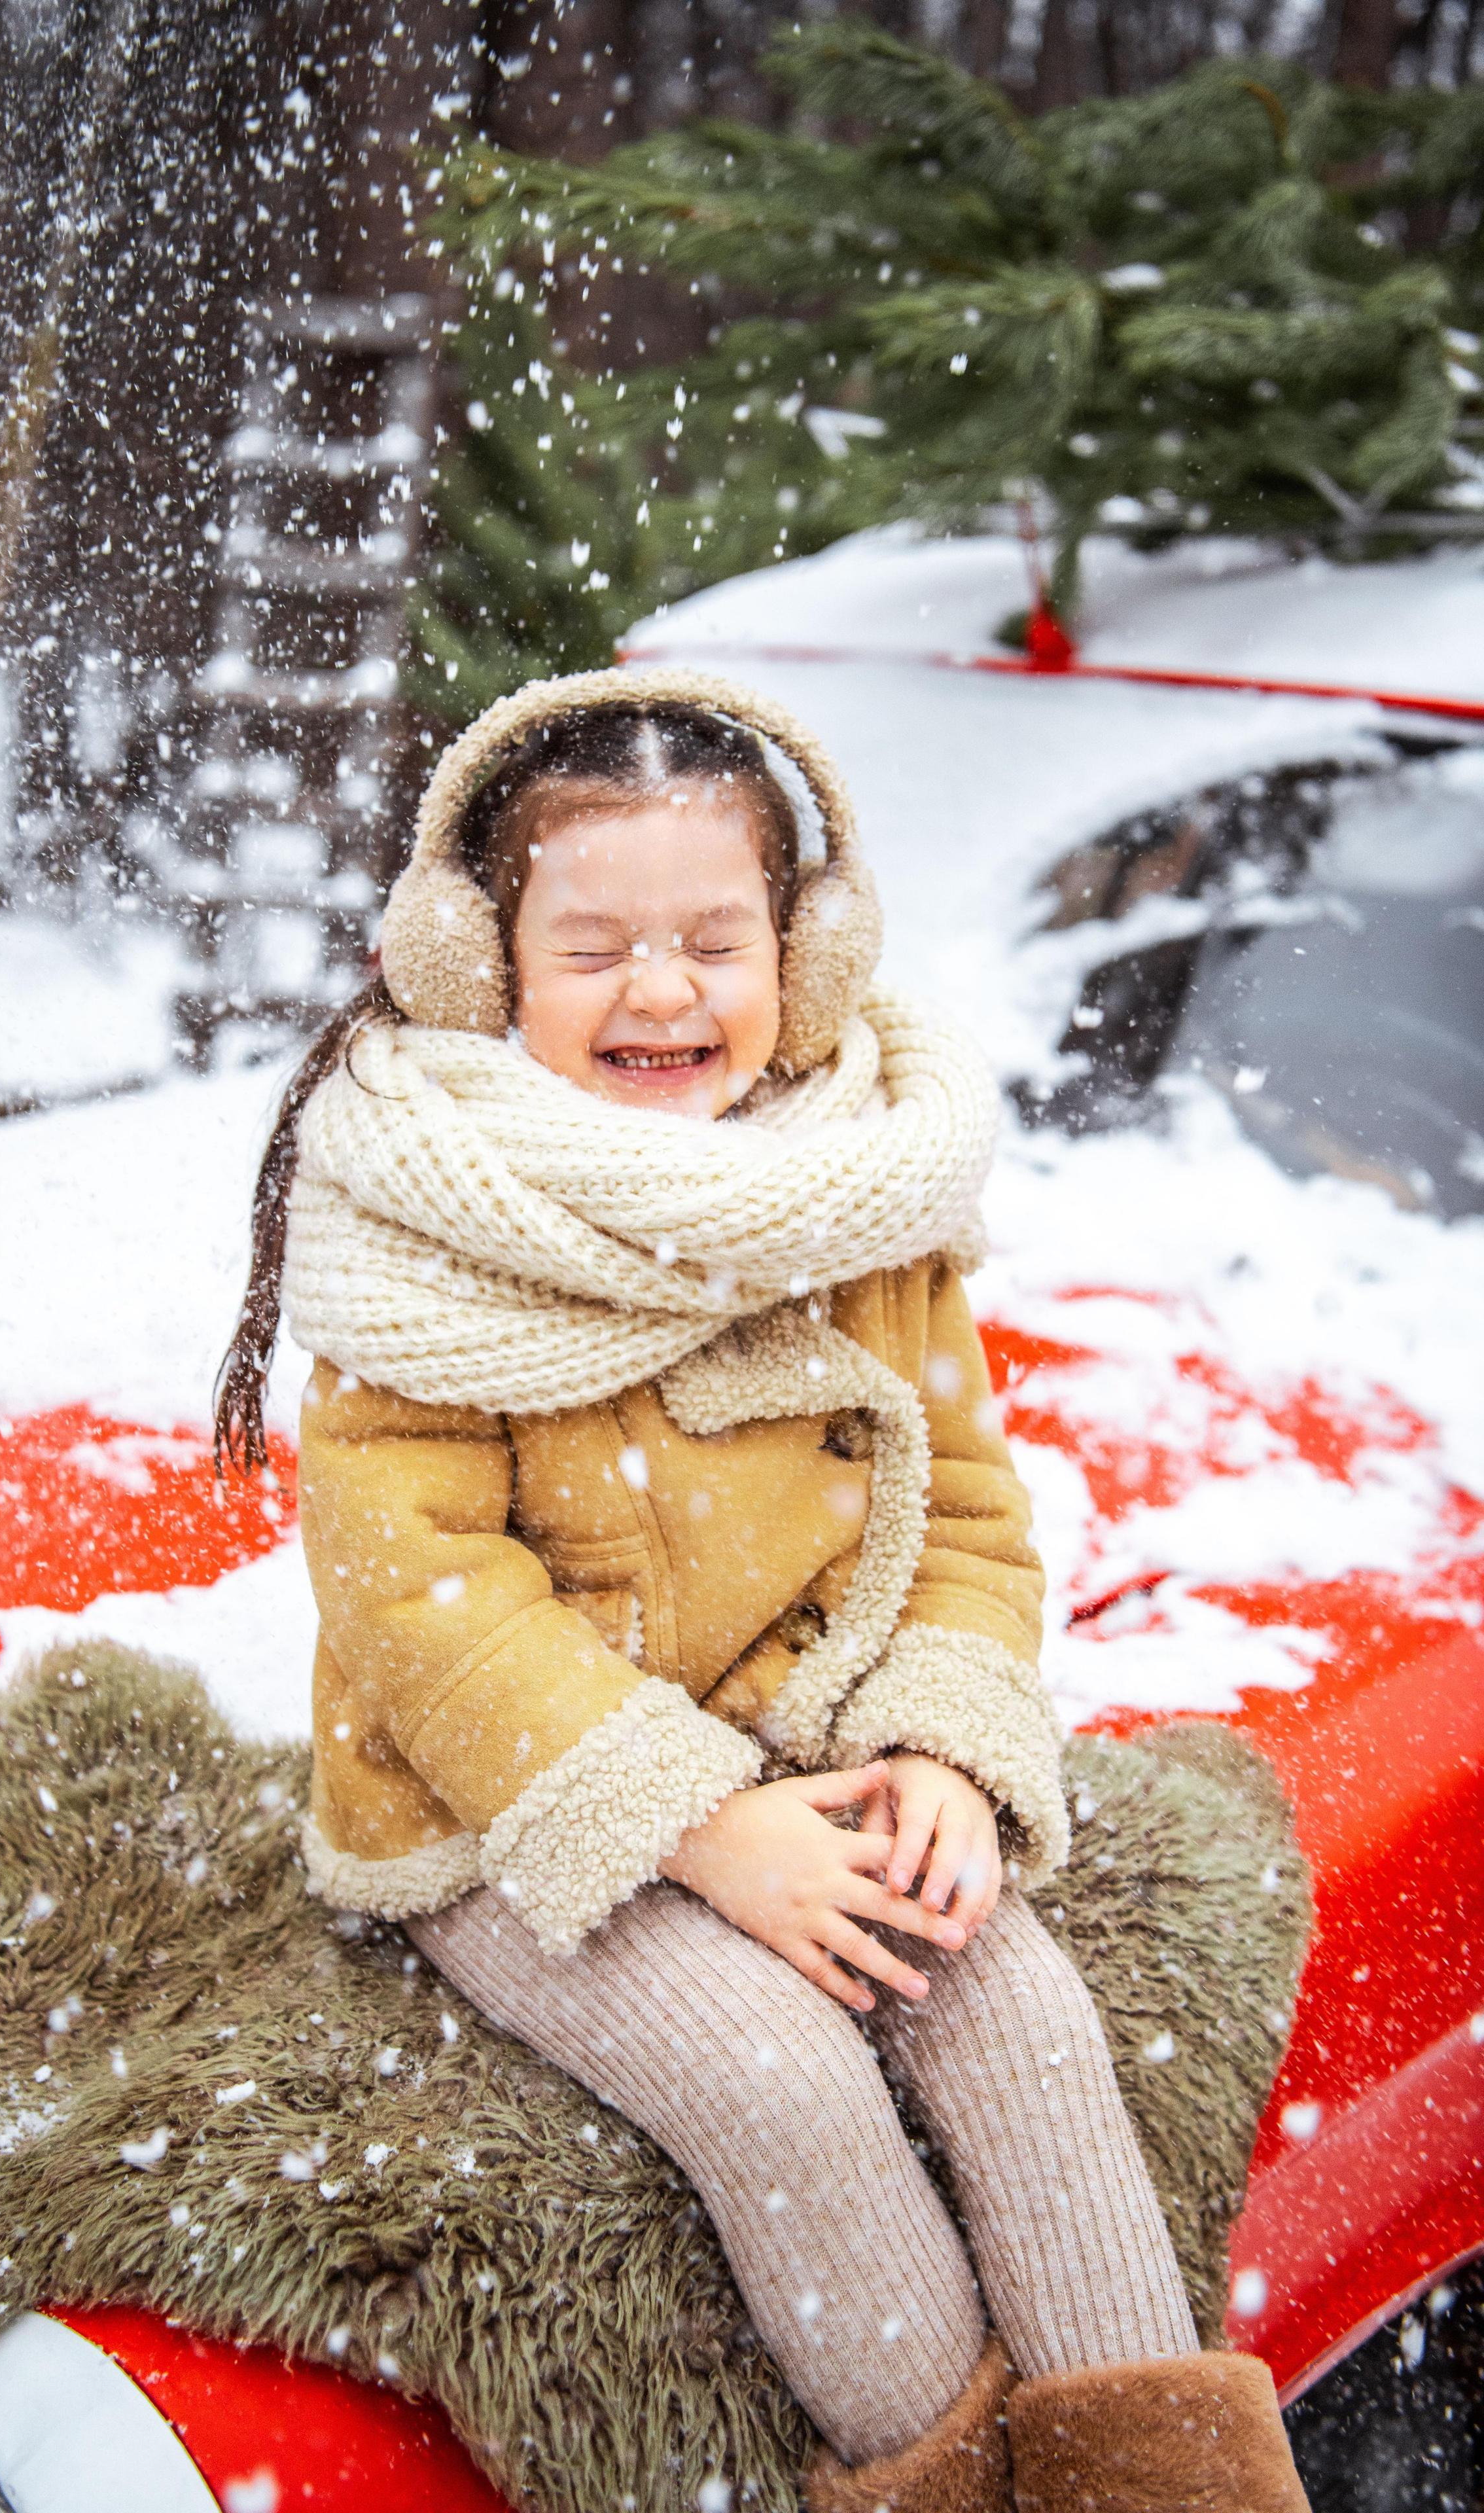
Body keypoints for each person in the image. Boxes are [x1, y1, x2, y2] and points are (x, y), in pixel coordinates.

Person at [216, 668, 1311, 2513]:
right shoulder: (428, 1220)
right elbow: (422, 1600)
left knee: (1018, 2015)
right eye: (594, 949)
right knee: (778, 2080)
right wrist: (701, 1827)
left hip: (813, 1745)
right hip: (516, 1810)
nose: (661, 992)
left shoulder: (854, 1188)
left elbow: (961, 1507)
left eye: (716, 943)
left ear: (804, 958)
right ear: (478, 967)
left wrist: (943, 1752)